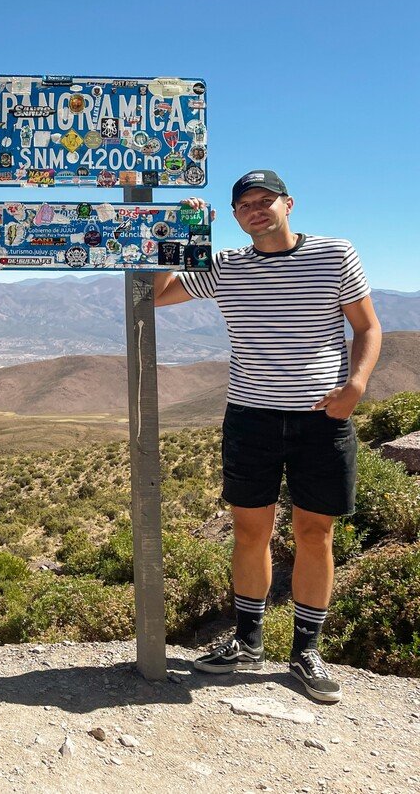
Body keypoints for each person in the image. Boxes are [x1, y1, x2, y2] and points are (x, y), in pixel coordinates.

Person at [153, 169, 381, 704]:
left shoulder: (334, 254)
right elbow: (158, 294)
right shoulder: (226, 265)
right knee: (250, 532)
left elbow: (367, 327)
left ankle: (306, 651)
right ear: (235, 216)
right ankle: (248, 642)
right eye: (245, 205)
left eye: (265, 200)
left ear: (288, 204)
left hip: (320, 419)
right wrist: (189, 234)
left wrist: (356, 385)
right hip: (251, 416)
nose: (256, 209)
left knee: (313, 533)